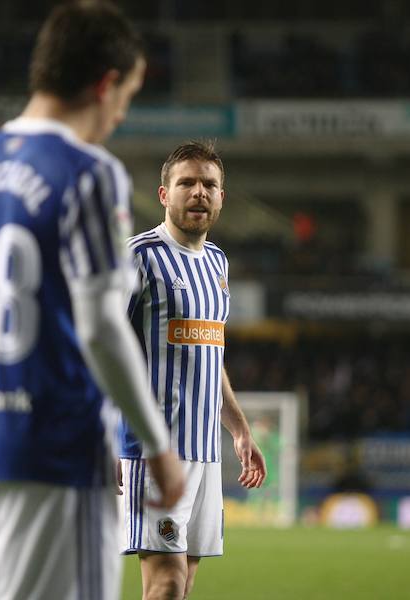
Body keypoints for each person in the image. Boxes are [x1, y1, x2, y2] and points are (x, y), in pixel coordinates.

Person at [0, 3, 184, 599]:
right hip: (57, 450)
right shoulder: (89, 171)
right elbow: (100, 326)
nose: (121, 115)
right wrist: (158, 444)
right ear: (106, 84)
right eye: (128, 96)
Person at [118, 141, 267, 600]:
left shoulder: (218, 265)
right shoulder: (137, 257)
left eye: (209, 185)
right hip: (152, 453)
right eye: (187, 183)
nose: (199, 192)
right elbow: (97, 348)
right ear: (164, 194)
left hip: (206, 454)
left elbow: (211, 354)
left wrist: (239, 431)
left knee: (181, 589)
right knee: (165, 584)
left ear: (221, 197)